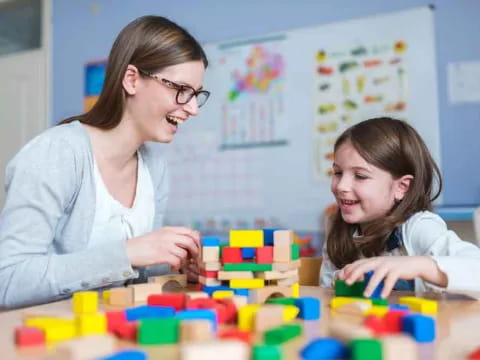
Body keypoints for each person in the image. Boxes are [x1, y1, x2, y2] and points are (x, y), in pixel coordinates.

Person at [0, 15, 210, 308]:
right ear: (132, 79)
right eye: (182, 90)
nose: (192, 108)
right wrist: (127, 252)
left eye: (196, 95)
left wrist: (174, 264)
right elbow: (8, 281)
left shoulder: (154, 167)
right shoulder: (56, 154)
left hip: (115, 336)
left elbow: (133, 275)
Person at [320, 117, 480, 298]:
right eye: (338, 173)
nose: (341, 186)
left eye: (360, 176)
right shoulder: (339, 233)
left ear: (401, 187)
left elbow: (476, 268)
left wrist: (419, 265)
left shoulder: (418, 227)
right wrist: (340, 280)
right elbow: (326, 297)